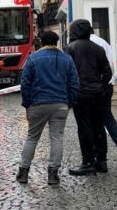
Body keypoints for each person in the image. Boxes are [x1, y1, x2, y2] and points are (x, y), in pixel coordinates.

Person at [17, 31, 80, 185]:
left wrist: (27, 104)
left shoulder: (33, 59)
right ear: (56, 43)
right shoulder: (67, 59)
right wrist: (69, 103)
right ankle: (53, 174)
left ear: (42, 42)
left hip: (38, 104)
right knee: (57, 138)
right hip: (60, 104)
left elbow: (25, 84)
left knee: (32, 137)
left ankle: (23, 172)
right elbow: (74, 84)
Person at [64, 19, 112, 176]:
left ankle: (88, 162)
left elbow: (67, 74)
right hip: (97, 93)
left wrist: (71, 92)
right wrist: (101, 87)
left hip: (81, 94)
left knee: (84, 127)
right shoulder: (98, 49)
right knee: (99, 126)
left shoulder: (70, 48)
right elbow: (107, 73)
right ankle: (102, 161)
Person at [89, 31, 117, 161]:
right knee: (107, 117)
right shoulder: (104, 43)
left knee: (93, 120)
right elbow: (111, 64)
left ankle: (99, 153)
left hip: (96, 85)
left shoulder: (89, 44)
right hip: (108, 84)